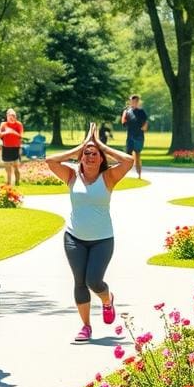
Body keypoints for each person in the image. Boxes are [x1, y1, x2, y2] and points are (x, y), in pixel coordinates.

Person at [45, 123, 133, 342]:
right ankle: (86, 326)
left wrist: (100, 144)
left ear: (101, 158)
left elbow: (129, 161)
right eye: (87, 153)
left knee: (94, 281)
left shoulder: (109, 178)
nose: (90, 156)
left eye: (95, 154)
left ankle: (106, 300)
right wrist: (80, 147)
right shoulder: (71, 176)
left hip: (102, 239)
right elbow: (50, 161)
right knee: (79, 282)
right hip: (74, 238)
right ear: (80, 157)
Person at [120, 94, 148, 178]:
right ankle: (123, 174)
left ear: (138, 102)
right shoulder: (127, 111)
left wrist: (144, 128)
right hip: (130, 136)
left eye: (136, 101)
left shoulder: (141, 112)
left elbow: (146, 123)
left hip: (139, 136)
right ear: (130, 102)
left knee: (137, 154)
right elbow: (123, 123)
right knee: (127, 155)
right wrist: (124, 117)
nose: (134, 103)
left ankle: (139, 175)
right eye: (132, 101)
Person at [0, 108, 24, 186]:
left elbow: (21, 136)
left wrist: (12, 132)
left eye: (14, 115)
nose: (12, 117)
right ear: (7, 116)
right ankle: (9, 183)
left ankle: (17, 182)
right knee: (7, 167)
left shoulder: (19, 124)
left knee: (16, 166)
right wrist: (6, 132)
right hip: (6, 147)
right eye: (10, 115)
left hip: (15, 148)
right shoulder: (3, 124)